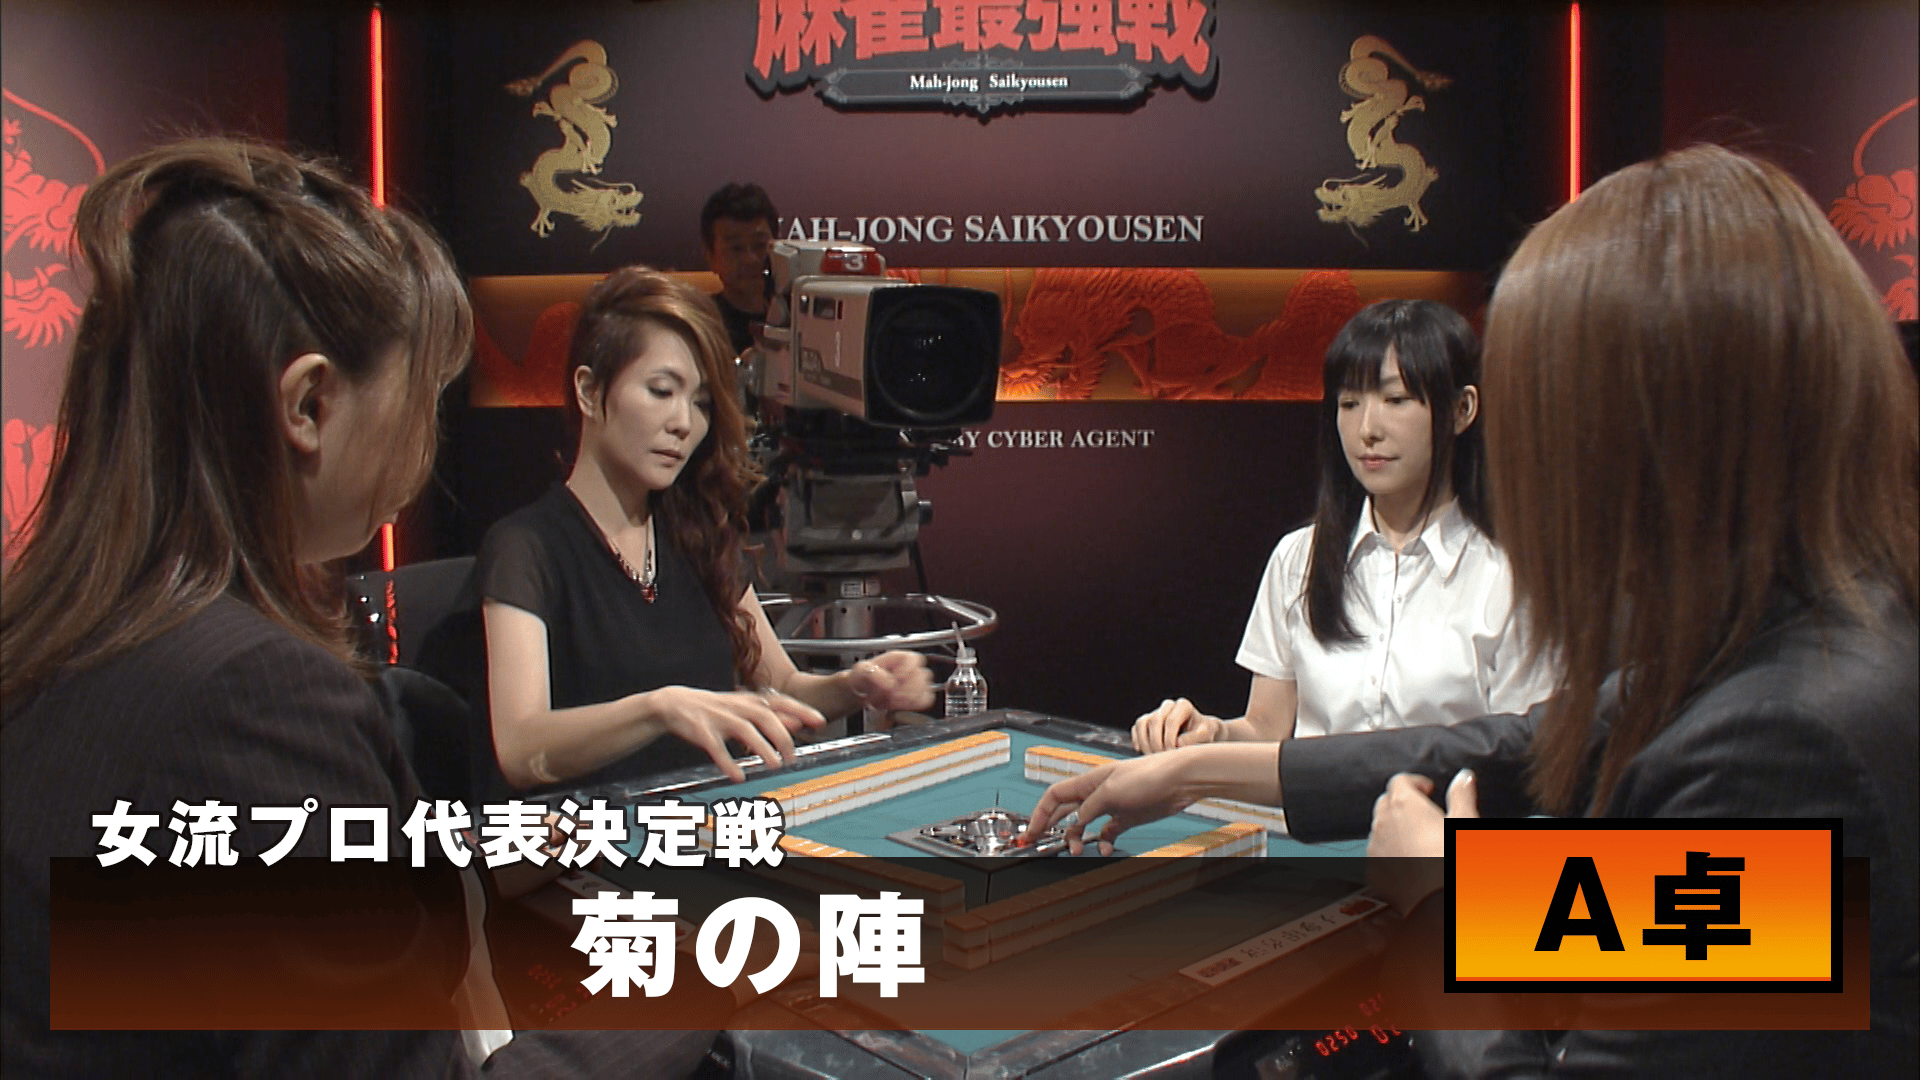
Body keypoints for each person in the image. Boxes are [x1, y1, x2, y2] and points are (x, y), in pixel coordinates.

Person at [1024, 145, 1916, 1075]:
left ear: (1654, 438)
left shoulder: (1785, 750)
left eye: (1542, 419)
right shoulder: (1795, 639)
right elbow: (1513, 751)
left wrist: (1434, 910)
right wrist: (1190, 774)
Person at [0, 139, 716, 1077]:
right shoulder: (260, 703)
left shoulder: (47, 638)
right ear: (308, 405)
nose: (424, 437)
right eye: (420, 394)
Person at [452, 266, 932, 794]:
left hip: (707, 825)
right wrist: (660, 709)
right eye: (661, 390)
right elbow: (521, 748)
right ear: (589, 391)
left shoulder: (698, 535)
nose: (684, 422)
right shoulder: (525, 548)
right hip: (585, 836)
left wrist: (856, 685)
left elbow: (783, 688)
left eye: (701, 403)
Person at [1132, 300, 1554, 752]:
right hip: (1309, 802)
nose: (1367, 429)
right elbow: (1266, 730)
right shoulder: (1299, 558)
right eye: (1349, 403)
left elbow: (1522, 755)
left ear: (1462, 409)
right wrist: (1211, 732)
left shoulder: (1512, 576)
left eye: (1395, 400)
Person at [700, 182, 777, 355]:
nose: (751, 259)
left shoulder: (801, 315)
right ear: (710, 256)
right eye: (736, 248)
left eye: (760, 245)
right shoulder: (701, 324)